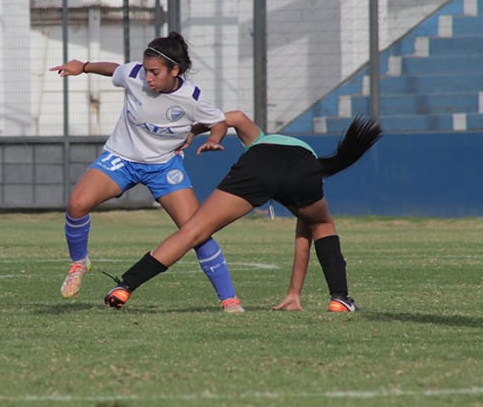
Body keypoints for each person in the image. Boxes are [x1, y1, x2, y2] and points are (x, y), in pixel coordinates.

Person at [104, 113, 382, 312]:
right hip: (302, 173)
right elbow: (303, 241)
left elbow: (234, 117)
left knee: (193, 231)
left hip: (256, 168)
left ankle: (126, 286)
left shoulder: (260, 139)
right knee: (322, 225)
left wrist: (199, 132)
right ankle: (339, 298)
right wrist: (293, 293)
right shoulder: (310, 161)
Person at [49, 31, 244, 313]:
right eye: (146, 70)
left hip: (163, 166)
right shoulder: (135, 75)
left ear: (174, 70)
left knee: (196, 231)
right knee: (78, 204)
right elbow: (114, 70)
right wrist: (84, 66)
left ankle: (229, 300)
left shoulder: (192, 97)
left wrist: (215, 139)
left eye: (155, 72)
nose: (148, 77)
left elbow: (218, 122)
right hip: (121, 158)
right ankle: (79, 263)